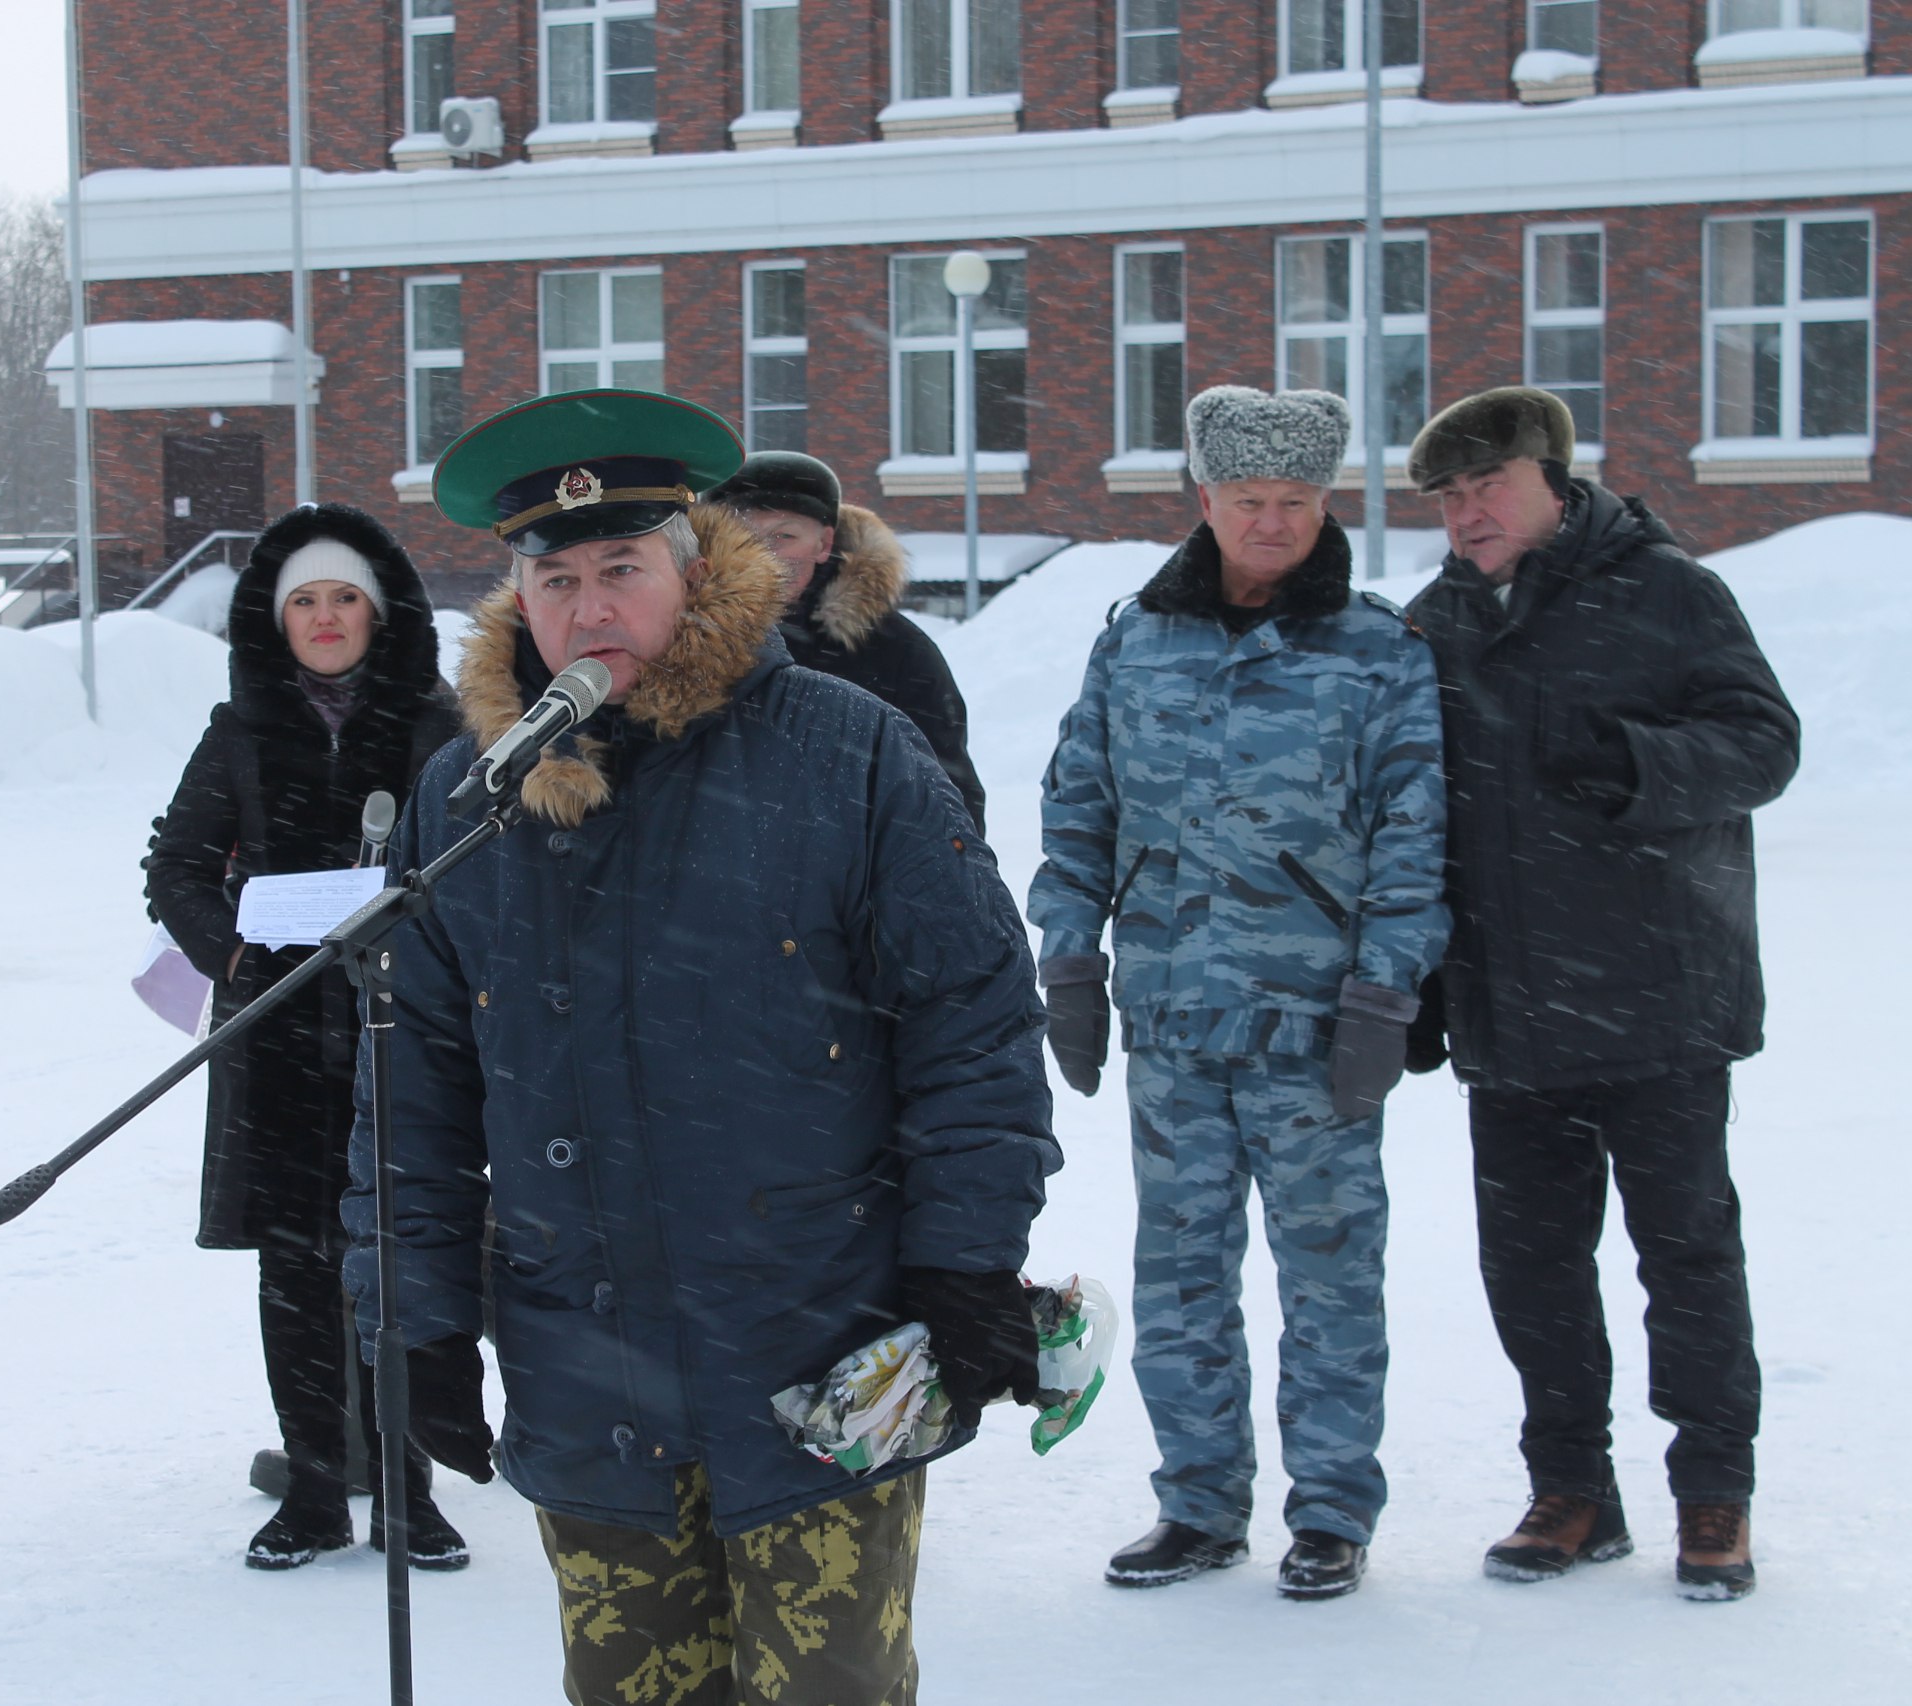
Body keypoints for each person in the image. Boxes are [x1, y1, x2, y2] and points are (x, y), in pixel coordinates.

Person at [344, 389, 1059, 1705]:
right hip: (586, 1378)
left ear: (692, 567)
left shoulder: (845, 755)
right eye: (556, 577)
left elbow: (976, 1023)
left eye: (622, 567)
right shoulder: (469, 797)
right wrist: (417, 1315)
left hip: (821, 1363)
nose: (590, 607)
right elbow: (414, 1087)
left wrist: (967, 1259)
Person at [1029, 385, 1448, 1601]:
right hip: (1171, 1020)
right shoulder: (1133, 639)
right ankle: (1199, 1501)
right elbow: (1079, 809)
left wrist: (1384, 995)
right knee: (1180, 1273)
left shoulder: (1379, 648)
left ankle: (1329, 1509)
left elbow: (1412, 838)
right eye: (1247, 501)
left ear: (1326, 504)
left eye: (1296, 502)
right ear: (1203, 501)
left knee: (1328, 1274)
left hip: (1317, 1027)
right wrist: (1067, 956)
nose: (1271, 524)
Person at [1402, 387, 1799, 1601]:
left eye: (1486, 487)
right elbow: (1410, 813)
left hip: (1660, 997)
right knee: (1531, 1269)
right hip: (1510, 1010)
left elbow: (1763, 739)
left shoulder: (1669, 589)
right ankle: (1572, 1485)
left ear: (1551, 480)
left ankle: (1712, 1490)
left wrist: (1638, 761)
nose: (1466, 514)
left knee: (1685, 1255)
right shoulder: (1432, 623)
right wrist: (1417, 974)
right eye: (1447, 496)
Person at [143, 503, 466, 1571]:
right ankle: (316, 1489)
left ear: (379, 613)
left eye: (344, 600)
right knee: (295, 1271)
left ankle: (407, 1489)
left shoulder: (438, 725)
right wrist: (232, 955)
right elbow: (178, 866)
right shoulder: (237, 730)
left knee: (399, 1259)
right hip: (277, 1038)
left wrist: (427, 953)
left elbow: (479, 863)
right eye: (304, 602)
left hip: (399, 1033)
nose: (325, 619)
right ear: (274, 619)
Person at [703, 452, 989, 832]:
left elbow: (946, 801)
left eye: (784, 536)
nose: (764, 555)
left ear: (823, 544)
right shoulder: (677, 637)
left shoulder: (895, 651)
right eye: (744, 537)